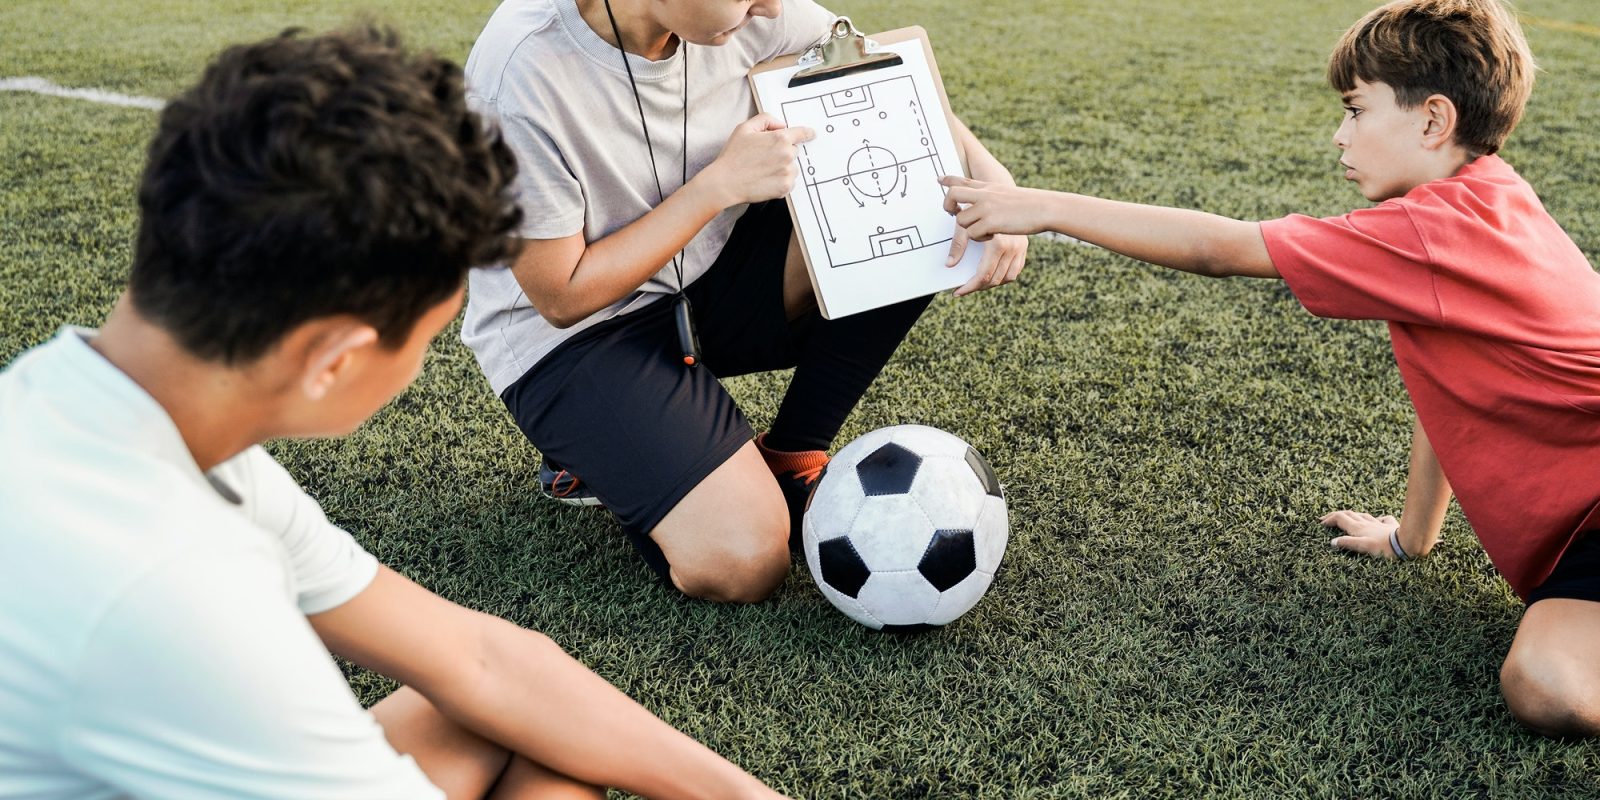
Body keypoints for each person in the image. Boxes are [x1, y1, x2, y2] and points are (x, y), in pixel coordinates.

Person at [0, 28, 791, 798]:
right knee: (553, 761)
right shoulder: (170, 588)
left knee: (520, 724)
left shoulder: (105, 414)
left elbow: (486, 666)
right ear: (335, 360)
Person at [938, 0, 1599, 737]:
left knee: (1545, 686)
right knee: (1547, 684)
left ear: (1433, 120)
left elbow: (1223, 250)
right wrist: (1411, 539)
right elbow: (1449, 399)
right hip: (1582, 540)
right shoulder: (1490, 199)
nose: (1339, 134)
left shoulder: (1433, 228)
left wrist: (1043, 206)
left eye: (1356, 110)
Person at [461, 0, 1031, 602]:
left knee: (923, 211)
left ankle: (790, 456)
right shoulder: (519, 74)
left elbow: (883, 72)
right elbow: (562, 294)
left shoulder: (751, 15)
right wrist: (719, 185)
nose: (772, 5)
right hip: (579, 337)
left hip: (708, 277)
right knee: (746, 564)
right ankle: (599, 448)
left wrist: (990, 174)